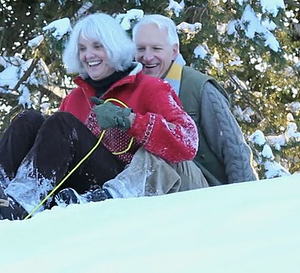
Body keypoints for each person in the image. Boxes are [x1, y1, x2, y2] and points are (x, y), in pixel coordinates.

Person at [0, 12, 198, 225]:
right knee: (28, 120)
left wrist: (132, 121)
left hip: (120, 182)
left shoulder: (149, 88)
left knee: (61, 123)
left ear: (115, 48)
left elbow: (188, 141)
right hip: (75, 186)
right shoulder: (75, 99)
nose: (89, 55)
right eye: (83, 48)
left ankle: (20, 201)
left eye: (98, 47)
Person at [55, 14, 258, 204]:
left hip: (203, 188)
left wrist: (243, 201)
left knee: (155, 147)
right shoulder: (128, 88)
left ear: (174, 50)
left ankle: (112, 198)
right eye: (140, 49)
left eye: (156, 49)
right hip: (151, 188)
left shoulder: (198, 88)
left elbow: (233, 148)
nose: (147, 57)